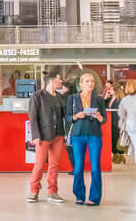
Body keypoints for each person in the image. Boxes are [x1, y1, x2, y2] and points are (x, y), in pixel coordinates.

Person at [66, 73, 106, 206]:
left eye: (92, 81)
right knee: (78, 167)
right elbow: (67, 117)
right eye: (87, 81)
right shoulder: (72, 98)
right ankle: (79, 195)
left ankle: (94, 198)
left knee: (95, 167)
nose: (90, 84)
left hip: (94, 135)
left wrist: (99, 116)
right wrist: (76, 116)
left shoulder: (99, 99)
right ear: (81, 83)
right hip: (77, 135)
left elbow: (104, 119)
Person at [27, 72, 67, 203]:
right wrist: (35, 135)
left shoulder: (60, 97)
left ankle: (52, 192)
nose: (61, 81)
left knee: (54, 165)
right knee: (39, 164)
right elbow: (32, 117)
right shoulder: (37, 96)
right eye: (60, 79)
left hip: (59, 135)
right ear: (52, 81)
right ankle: (34, 191)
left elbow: (65, 116)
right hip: (43, 136)